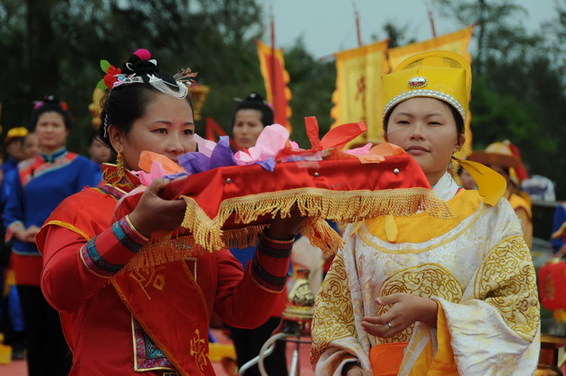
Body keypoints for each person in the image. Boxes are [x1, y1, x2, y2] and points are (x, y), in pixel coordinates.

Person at [35, 49, 304, 375]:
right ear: (118, 138)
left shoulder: (199, 215)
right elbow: (58, 290)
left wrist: (278, 238)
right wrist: (136, 227)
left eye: (188, 131)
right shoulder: (81, 210)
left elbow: (243, 314)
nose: (178, 145)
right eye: (161, 130)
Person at [310, 51, 540, 376]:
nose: (417, 132)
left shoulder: (489, 215)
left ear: (459, 140)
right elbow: (335, 314)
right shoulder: (364, 221)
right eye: (403, 122)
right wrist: (348, 366)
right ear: (387, 137)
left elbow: (518, 313)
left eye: (433, 122)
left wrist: (433, 312)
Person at [2, 96, 100, 375]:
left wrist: (51, 232)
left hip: (63, 256)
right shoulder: (21, 171)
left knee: (62, 330)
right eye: (43, 124)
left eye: (55, 124)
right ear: (35, 130)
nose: (48, 130)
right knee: (34, 331)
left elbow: (85, 207)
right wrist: (22, 230)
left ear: (66, 130)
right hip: (27, 256)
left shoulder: (82, 167)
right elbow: (11, 212)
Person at [228, 92, 288, 376]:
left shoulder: (282, 170)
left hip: (268, 272)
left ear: (266, 130)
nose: (243, 130)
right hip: (231, 273)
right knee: (243, 359)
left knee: (268, 360)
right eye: (239, 124)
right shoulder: (220, 168)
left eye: (251, 124)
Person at [467, 140, 533, 248]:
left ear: (507, 177)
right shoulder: (474, 198)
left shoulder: (517, 204)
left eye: (499, 174)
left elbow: (519, 243)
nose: (494, 178)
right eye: (490, 173)